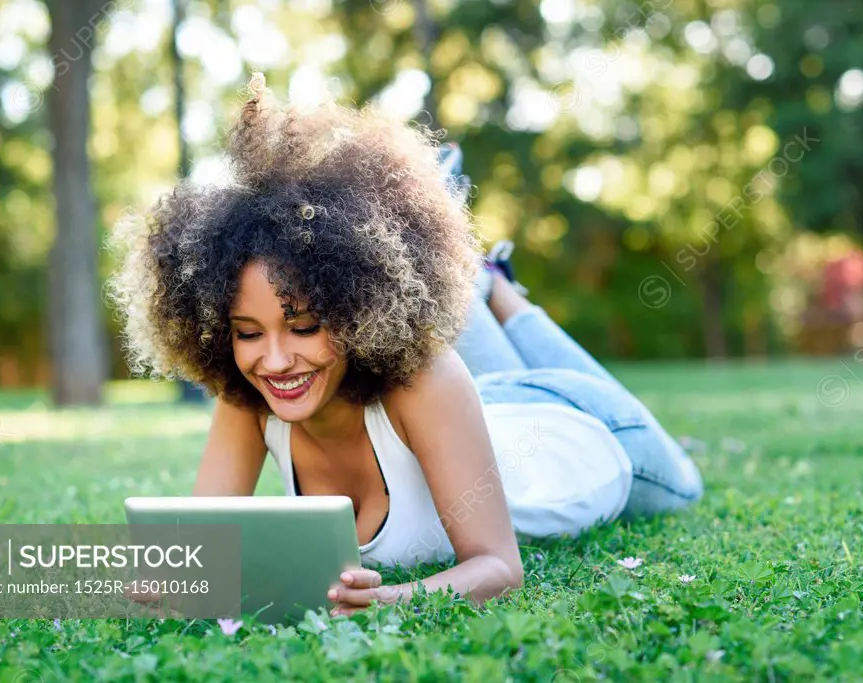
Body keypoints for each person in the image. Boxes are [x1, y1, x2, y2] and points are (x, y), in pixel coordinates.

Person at [107, 73, 702, 618]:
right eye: (248, 332)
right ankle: (481, 276)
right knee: (428, 324)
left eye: (306, 325)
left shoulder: (426, 377)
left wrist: (392, 599)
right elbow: (196, 551)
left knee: (688, 480)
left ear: (354, 307)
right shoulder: (251, 392)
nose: (277, 359)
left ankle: (493, 286)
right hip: (483, 411)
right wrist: (170, 578)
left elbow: (499, 567)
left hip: (587, 433)